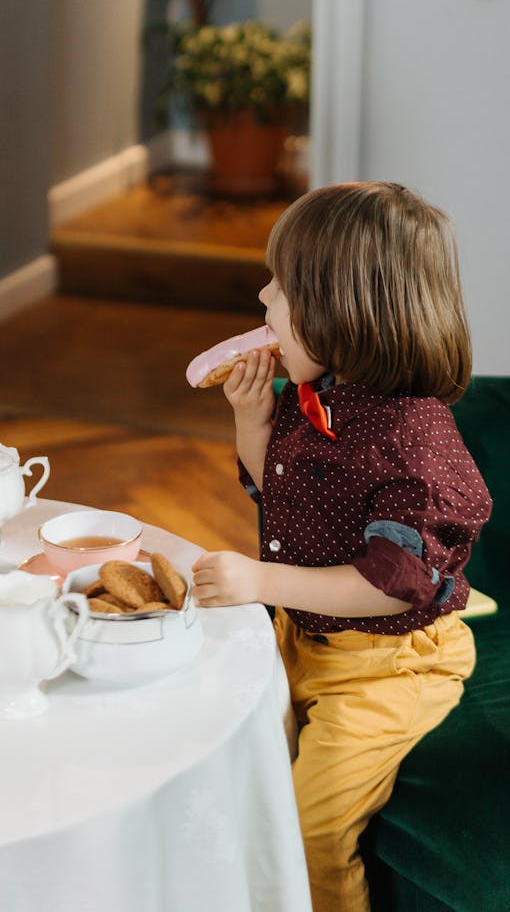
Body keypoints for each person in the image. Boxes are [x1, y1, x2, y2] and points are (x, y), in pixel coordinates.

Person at [191, 182, 492, 912]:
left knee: (309, 827)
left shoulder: (412, 440)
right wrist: (252, 424)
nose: (264, 298)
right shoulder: (321, 395)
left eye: (283, 287)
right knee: (228, 766)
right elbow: (288, 505)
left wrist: (259, 580)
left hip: (386, 668)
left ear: (345, 309)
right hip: (306, 638)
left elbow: (388, 583)